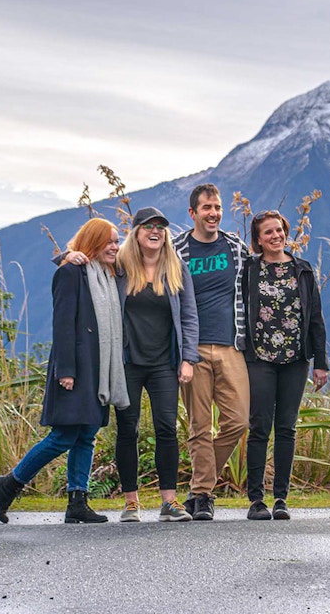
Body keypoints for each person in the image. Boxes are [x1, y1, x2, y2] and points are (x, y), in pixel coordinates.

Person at [0, 217, 127, 524]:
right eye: (110, 241)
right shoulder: (71, 273)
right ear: (93, 241)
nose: (116, 247)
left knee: (87, 435)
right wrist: (66, 370)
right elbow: (63, 323)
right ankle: (10, 484)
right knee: (63, 435)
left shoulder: (108, 274)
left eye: (118, 241)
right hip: (76, 369)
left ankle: (77, 502)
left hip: (99, 368)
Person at [113, 207, 199, 523]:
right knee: (128, 429)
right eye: (149, 226)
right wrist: (70, 257)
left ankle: (169, 502)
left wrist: (188, 359)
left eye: (161, 227)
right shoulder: (119, 266)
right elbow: (80, 258)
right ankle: (131, 502)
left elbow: (190, 316)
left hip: (165, 363)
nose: (156, 231)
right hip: (128, 362)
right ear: (136, 232)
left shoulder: (177, 269)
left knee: (166, 428)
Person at [241, 210, 328, 520]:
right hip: (260, 357)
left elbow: (315, 317)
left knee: (287, 428)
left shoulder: (302, 270)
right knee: (259, 427)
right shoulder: (249, 270)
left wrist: (321, 362)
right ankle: (256, 500)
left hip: (296, 359)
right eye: (268, 232)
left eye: (279, 230)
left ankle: (281, 499)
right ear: (258, 239)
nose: (275, 236)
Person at [171, 183, 252, 520]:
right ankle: (203, 497)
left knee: (239, 421)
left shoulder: (236, 248)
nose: (213, 213)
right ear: (193, 213)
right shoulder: (176, 251)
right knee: (199, 426)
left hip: (233, 345)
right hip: (192, 350)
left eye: (217, 207)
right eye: (206, 208)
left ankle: (197, 485)